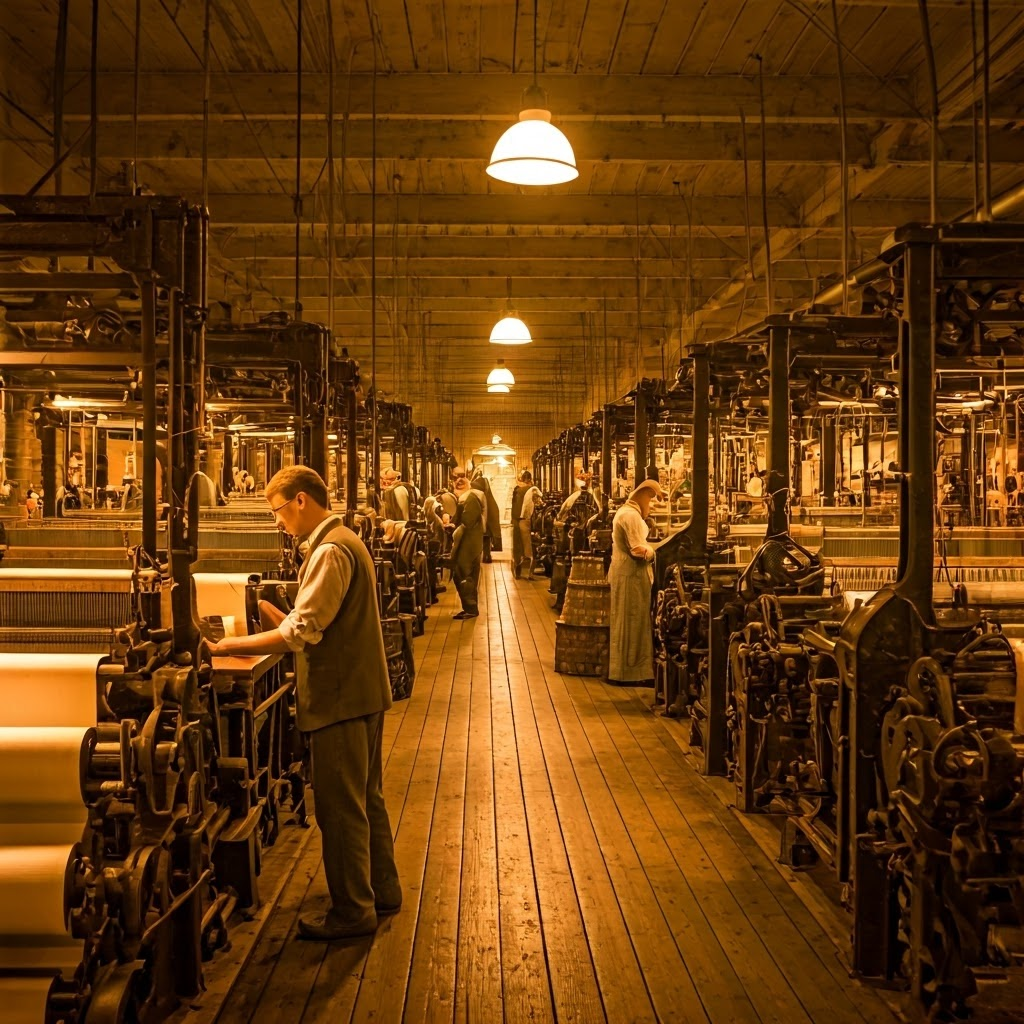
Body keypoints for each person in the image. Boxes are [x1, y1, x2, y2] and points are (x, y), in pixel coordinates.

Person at [205, 465, 400, 940]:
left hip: (340, 697)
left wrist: (226, 648)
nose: (277, 523)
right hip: (361, 691)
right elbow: (312, 619)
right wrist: (282, 617)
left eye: (277, 511)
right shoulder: (343, 542)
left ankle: (353, 911)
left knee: (339, 806)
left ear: (299, 501)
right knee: (365, 796)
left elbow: (302, 631)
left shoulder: (330, 550)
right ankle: (381, 889)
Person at [608, 479, 664, 684]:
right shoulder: (631, 516)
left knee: (631, 621)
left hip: (628, 575)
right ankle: (631, 673)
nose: (650, 505)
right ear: (644, 496)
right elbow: (637, 551)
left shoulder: (626, 513)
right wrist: (655, 552)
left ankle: (628, 671)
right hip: (631, 576)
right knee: (632, 621)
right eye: (651, 500)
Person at [448, 466, 483, 619]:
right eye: (456, 478)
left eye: (462, 477)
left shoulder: (471, 499)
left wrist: (455, 531)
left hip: (469, 545)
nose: (459, 481)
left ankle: (471, 609)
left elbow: (467, 522)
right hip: (467, 544)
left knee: (465, 574)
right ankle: (468, 607)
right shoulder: (464, 500)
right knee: (461, 573)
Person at [510, 469, 542, 579]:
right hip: (527, 520)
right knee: (528, 546)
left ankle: (517, 570)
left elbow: (514, 507)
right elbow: (539, 505)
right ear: (530, 479)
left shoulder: (517, 490)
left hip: (516, 520)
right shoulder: (533, 490)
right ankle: (529, 573)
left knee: (517, 546)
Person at [470, 468, 502, 563]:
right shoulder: (488, 497)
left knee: (480, 539)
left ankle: (480, 556)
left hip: (479, 522)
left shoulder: (476, 494)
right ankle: (487, 556)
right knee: (486, 539)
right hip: (487, 523)